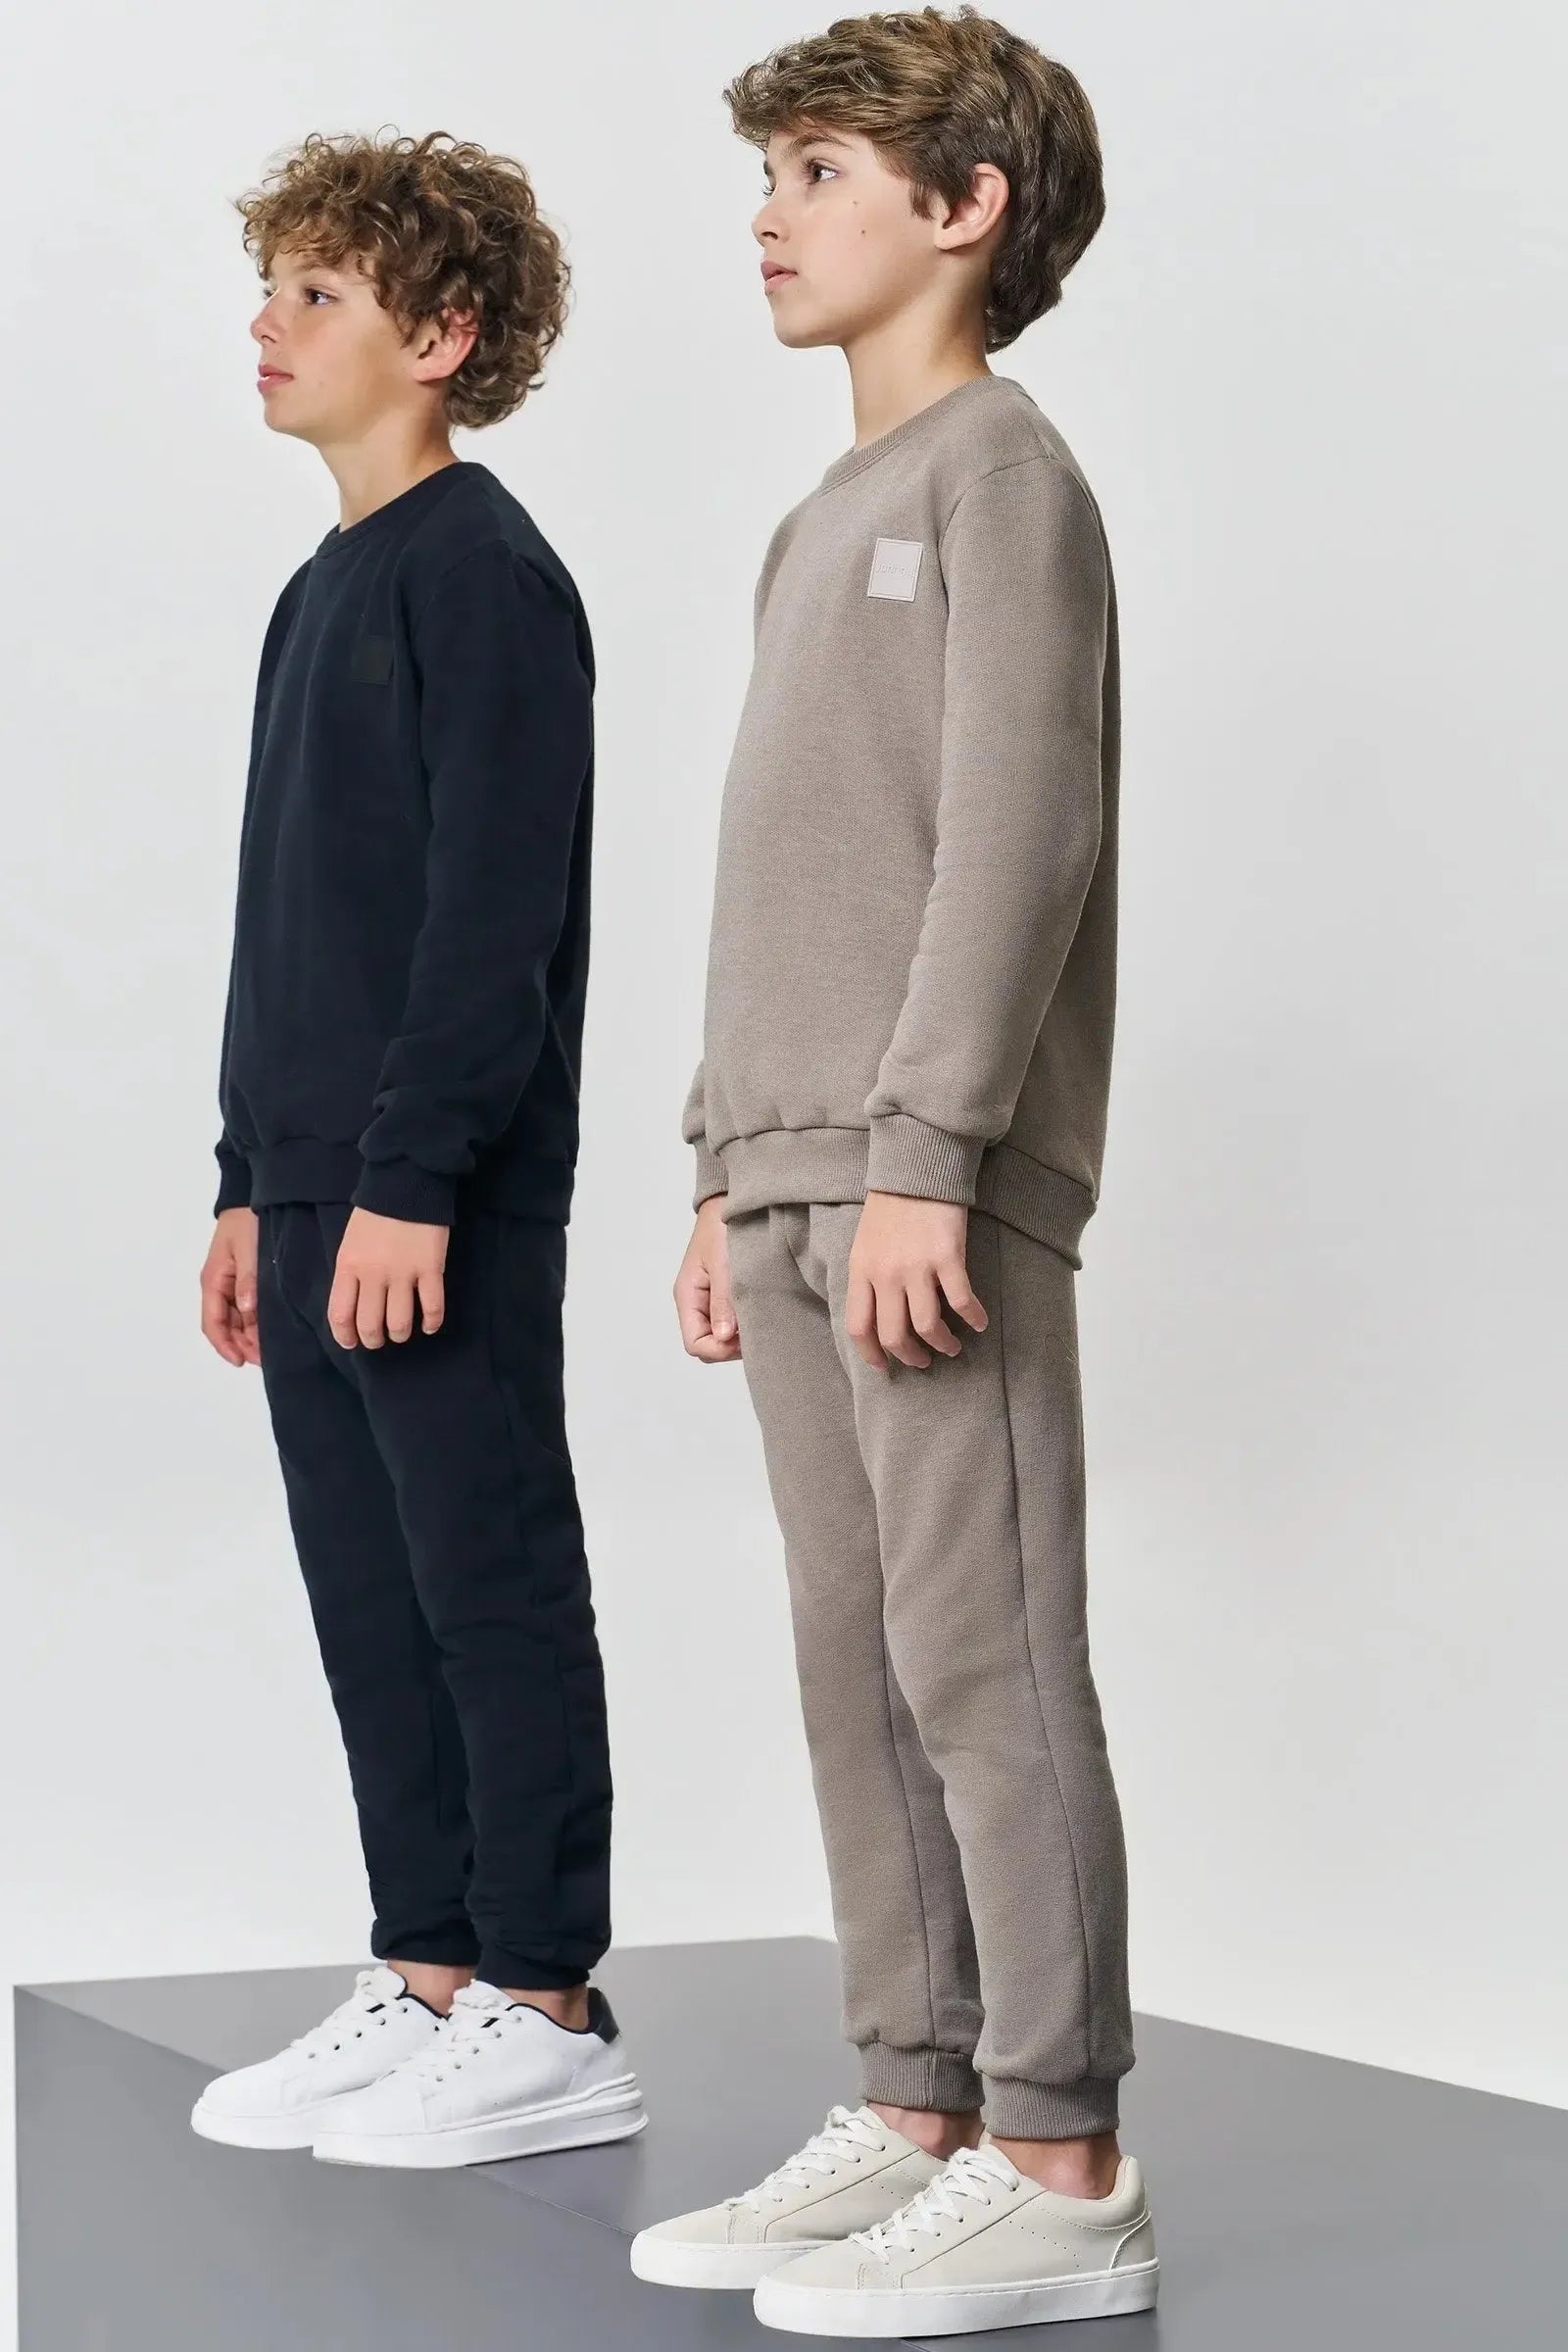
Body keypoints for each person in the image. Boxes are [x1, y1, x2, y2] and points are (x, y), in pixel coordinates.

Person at [633, 10, 1156, 2332]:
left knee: (980, 1654)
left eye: (820, 169)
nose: (770, 213)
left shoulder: (1001, 481)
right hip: (790, 1170)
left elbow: (1014, 836)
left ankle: (1062, 2159)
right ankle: (915, 2105)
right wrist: (718, 1162)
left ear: (963, 207)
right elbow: (795, 863)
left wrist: (927, 1154)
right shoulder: (812, 518)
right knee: (848, 1658)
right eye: (770, 173)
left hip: (923, 1180)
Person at [189, 129, 643, 2170]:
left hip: (426, 1191)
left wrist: (411, 1176)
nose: (268, 324)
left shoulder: (486, 574)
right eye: (272, 285)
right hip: (309, 1181)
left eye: (320, 293)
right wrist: (243, 1176)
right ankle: (431, 1962)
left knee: (483, 1574)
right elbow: (285, 908)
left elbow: (493, 916)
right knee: (366, 1592)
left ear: (441, 336)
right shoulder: (322, 589)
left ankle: (549, 1997)